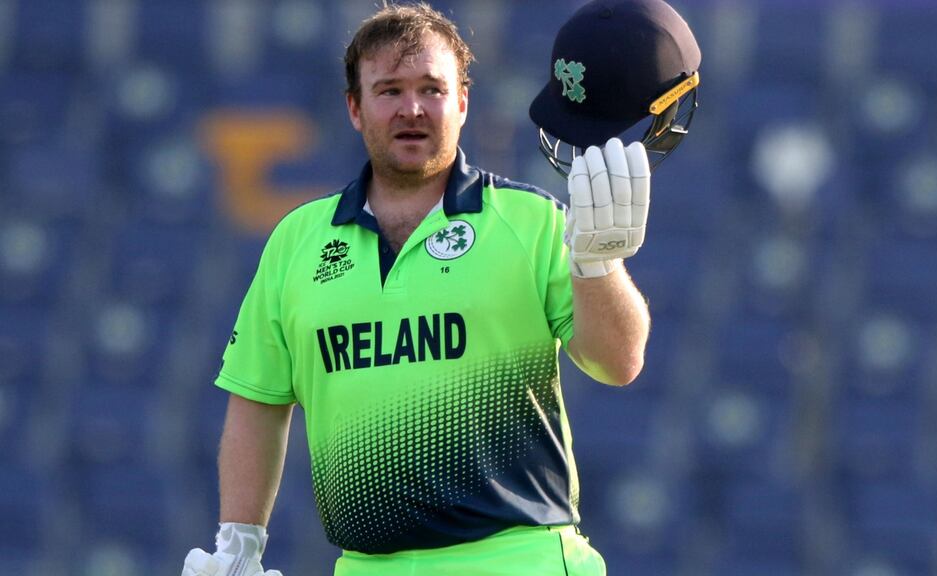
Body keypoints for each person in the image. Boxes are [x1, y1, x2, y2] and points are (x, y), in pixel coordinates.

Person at [182, 1, 699, 575]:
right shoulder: (296, 241)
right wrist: (239, 543)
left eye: (432, 88)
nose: (412, 108)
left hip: (521, 559)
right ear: (354, 108)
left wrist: (600, 267)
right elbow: (259, 399)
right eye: (389, 90)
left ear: (463, 102)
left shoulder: (532, 222)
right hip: (365, 565)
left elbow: (618, 361)